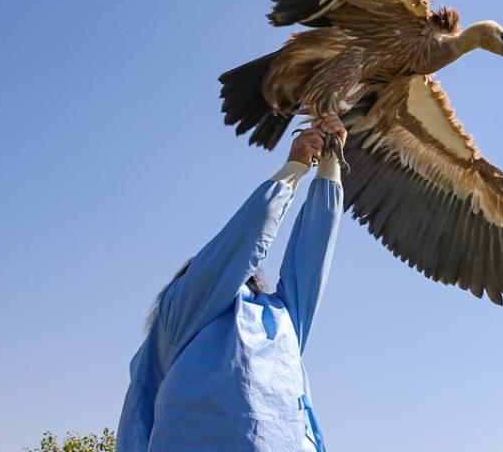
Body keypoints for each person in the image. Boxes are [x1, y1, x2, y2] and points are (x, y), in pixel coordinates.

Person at [117, 114, 347, 452]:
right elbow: (242, 242)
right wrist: (295, 167)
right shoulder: (185, 313)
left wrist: (331, 160)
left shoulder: (282, 317)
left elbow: (314, 252)